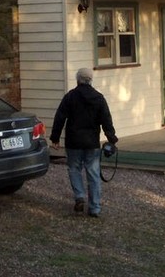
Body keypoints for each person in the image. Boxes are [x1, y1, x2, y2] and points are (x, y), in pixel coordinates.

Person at [50, 67, 118, 218]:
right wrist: (111, 138)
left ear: (77, 80)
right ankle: (94, 208)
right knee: (93, 174)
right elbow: (106, 119)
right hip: (91, 143)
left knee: (74, 169)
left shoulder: (70, 96)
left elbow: (60, 117)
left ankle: (80, 197)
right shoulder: (98, 98)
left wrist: (55, 137)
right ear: (90, 80)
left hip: (73, 142)